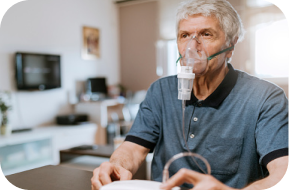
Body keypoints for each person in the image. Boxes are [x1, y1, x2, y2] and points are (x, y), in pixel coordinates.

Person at [91, 0, 289, 189]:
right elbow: (133, 149)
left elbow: (282, 172)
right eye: (184, 35)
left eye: (206, 34)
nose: (191, 47)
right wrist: (116, 165)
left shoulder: (265, 98)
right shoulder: (161, 91)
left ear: (231, 46)